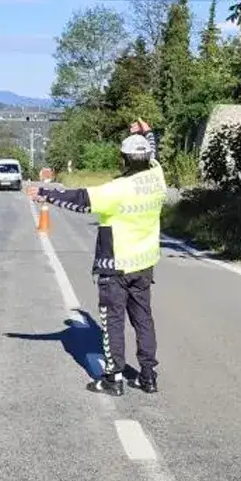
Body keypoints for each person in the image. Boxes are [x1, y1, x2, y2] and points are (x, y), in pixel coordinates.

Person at [28, 120, 167, 396]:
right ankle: (148, 377)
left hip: (115, 266)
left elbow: (79, 198)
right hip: (145, 265)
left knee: (112, 321)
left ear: (124, 158)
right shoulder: (157, 177)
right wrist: (147, 133)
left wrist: (43, 193)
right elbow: (154, 153)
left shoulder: (116, 190)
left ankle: (113, 379)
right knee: (144, 320)